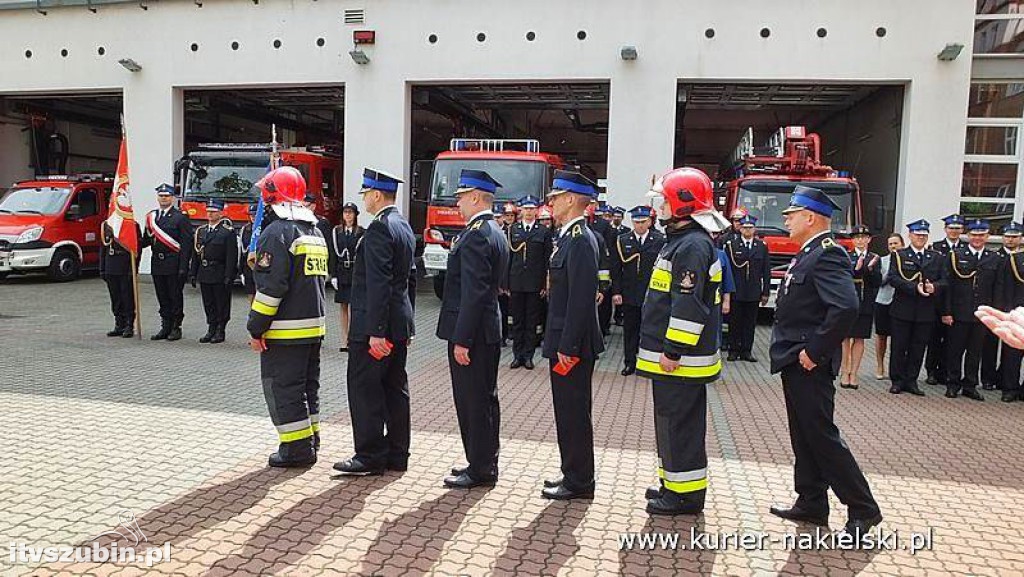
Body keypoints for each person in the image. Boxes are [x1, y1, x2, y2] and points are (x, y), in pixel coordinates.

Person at [768, 184, 882, 537]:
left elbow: (846, 307)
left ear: (811, 217)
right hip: (794, 357)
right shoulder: (808, 252)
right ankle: (812, 501)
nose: (786, 219)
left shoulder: (828, 253)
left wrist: (814, 352)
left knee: (821, 435)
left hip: (808, 361)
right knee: (804, 434)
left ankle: (863, 508)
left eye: (792, 214)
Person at [637, 167, 728, 515]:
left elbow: (688, 304)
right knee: (670, 423)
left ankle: (685, 497)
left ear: (683, 204)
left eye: (663, 201)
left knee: (681, 426)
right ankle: (671, 483)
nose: (658, 208)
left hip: (681, 360)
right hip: (675, 360)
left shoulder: (691, 245)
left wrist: (674, 350)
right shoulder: (682, 241)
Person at [334, 168, 416, 476]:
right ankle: (397, 453)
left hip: (375, 327)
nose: (364, 199)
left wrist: (376, 331)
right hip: (397, 322)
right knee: (395, 387)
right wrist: (406, 325)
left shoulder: (380, 228)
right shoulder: (403, 225)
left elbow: (380, 283)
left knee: (365, 389)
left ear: (377, 195)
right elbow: (409, 279)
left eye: (366, 193)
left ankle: (369, 455)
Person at [247, 166, 328, 468]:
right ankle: (310, 442)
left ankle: (295, 450)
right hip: (313, 328)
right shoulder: (316, 232)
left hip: (285, 332)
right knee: (308, 388)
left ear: (273, 196)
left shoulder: (275, 234)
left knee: (285, 390)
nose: (262, 203)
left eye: (265, 196)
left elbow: (271, 289)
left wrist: (255, 328)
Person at [438, 169, 510, 489]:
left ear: (477, 197)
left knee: (473, 402)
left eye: (462, 197)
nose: (458, 203)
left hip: (473, 334)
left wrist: (462, 339)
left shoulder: (478, 234)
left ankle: (480, 467)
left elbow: (474, 291)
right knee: (482, 399)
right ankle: (483, 461)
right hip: (485, 329)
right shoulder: (491, 230)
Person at [540, 170, 605, 501]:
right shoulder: (568, 236)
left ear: (569, 200)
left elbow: (581, 298)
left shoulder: (580, 240)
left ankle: (579, 481)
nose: (550, 203)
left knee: (574, 413)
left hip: (572, 344)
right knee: (567, 412)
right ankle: (572, 474)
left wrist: (567, 346)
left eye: (554, 197)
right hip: (565, 339)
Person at [941, 219, 998, 401]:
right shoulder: (956, 255)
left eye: (981, 235)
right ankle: (952, 383)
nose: (977, 238)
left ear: (987, 236)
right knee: (954, 350)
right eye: (974, 234)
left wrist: (993, 315)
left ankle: (970, 385)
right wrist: (947, 311)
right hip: (959, 312)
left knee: (975, 352)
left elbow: (996, 289)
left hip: (981, 314)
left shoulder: (994, 258)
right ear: (968, 235)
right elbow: (948, 286)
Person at [887, 219, 945, 396]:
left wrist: (934, 287)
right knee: (899, 347)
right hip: (903, 309)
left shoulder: (936, 257)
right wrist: (914, 288)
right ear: (910, 235)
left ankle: (911, 380)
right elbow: (893, 278)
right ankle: (897, 380)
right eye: (917, 234)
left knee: (918, 347)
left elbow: (945, 280)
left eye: (924, 235)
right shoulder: (899, 255)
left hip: (925, 311)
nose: (920, 237)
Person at [610, 205, 665, 376]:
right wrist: (616, 292)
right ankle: (629, 363)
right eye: (636, 222)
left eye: (643, 222)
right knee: (630, 330)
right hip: (630, 293)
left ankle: (648, 363)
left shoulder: (659, 240)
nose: (640, 225)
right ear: (632, 222)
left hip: (652, 294)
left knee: (650, 330)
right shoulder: (623, 240)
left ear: (649, 222)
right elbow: (616, 269)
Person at [141, 183, 193, 341]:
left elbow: (186, 244)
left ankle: (176, 327)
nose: (164, 198)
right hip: (157, 262)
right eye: (161, 196)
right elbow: (146, 240)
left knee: (174, 296)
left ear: (172, 198)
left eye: (167, 196)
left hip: (174, 262)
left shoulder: (180, 218)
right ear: (157, 197)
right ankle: (165, 326)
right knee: (162, 296)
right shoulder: (152, 217)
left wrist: (184, 267)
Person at [507, 195, 552, 370]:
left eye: (532, 209)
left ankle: (528, 356)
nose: (529, 212)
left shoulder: (543, 231)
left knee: (531, 321)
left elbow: (547, 260)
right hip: (516, 282)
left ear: (536, 211)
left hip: (534, 283)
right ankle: (517, 355)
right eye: (526, 209)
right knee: (517, 320)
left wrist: (544, 284)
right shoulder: (513, 230)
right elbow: (509, 258)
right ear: (521, 210)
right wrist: (506, 282)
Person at [189, 199, 238, 344]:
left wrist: (229, 275)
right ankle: (211, 327)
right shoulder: (202, 231)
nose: (210, 214)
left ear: (221, 213)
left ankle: (220, 329)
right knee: (208, 302)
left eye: (214, 211)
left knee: (221, 302)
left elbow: (231, 256)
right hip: (205, 272)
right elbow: (196, 254)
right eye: (209, 211)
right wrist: (193, 272)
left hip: (219, 271)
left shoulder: (227, 232)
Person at [723, 214, 770, 363]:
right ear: (740, 229)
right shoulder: (732, 245)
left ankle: (746, 351)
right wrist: (726, 292)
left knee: (750, 323)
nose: (748, 230)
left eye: (750, 228)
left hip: (753, 292)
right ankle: (733, 350)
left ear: (754, 229)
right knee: (734, 322)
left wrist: (766, 292)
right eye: (745, 228)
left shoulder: (761, 247)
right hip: (736, 291)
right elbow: (728, 270)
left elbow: (766, 271)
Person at [925, 214, 965, 386]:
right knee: (934, 339)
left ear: (962, 230)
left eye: (957, 228)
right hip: (937, 301)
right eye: (951, 228)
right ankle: (932, 371)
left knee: (952, 341)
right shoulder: (935, 248)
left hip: (957, 300)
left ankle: (946, 371)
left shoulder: (965, 248)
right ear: (945, 230)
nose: (954, 231)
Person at [840, 225, 882, 389]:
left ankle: (854, 373)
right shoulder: (846, 256)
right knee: (845, 338)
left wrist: (870, 269)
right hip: (848, 301)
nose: (860, 240)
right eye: (857, 237)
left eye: (864, 237)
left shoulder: (874, 258)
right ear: (852, 240)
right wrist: (855, 269)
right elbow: (842, 277)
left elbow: (877, 282)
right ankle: (844, 371)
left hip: (866, 301)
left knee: (859, 338)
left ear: (869, 240)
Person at [981, 224, 1022, 390]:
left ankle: (1006, 380)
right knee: (989, 346)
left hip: (1016, 309)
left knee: (1011, 347)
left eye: (1014, 236)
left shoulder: (1020, 259)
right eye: (1007, 236)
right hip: (996, 308)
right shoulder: (993, 257)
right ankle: (988, 378)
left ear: (1020, 238)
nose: (1010, 239)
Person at [328, 202, 363, 353]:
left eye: (351, 213)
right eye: (345, 212)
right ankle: (344, 339)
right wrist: (333, 275)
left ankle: (354, 338)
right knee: (343, 307)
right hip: (342, 272)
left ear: (355, 215)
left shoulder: (361, 232)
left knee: (355, 306)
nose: (348, 215)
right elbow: (333, 254)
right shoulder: (337, 232)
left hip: (355, 272)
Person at [100, 221, 140, 338]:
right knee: (115, 296)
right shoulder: (106, 225)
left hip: (125, 265)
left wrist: (134, 268)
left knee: (127, 296)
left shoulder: (132, 224)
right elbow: (103, 247)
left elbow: (137, 248)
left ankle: (129, 324)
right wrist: (102, 268)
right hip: (110, 264)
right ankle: (119, 323)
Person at [873, 233, 905, 380]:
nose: (893, 246)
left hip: (900, 302)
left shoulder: (907, 259)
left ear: (902, 244)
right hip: (883, 301)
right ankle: (880, 365)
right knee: (881, 336)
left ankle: (897, 368)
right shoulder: (882, 260)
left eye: (896, 243)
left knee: (899, 337)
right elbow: (878, 281)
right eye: (890, 244)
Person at [239, 203, 258, 305]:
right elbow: (242, 250)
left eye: (255, 215)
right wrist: (240, 269)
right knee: (250, 291)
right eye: (251, 215)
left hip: (260, 264)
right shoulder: (245, 229)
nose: (253, 217)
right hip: (248, 264)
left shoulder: (265, 228)